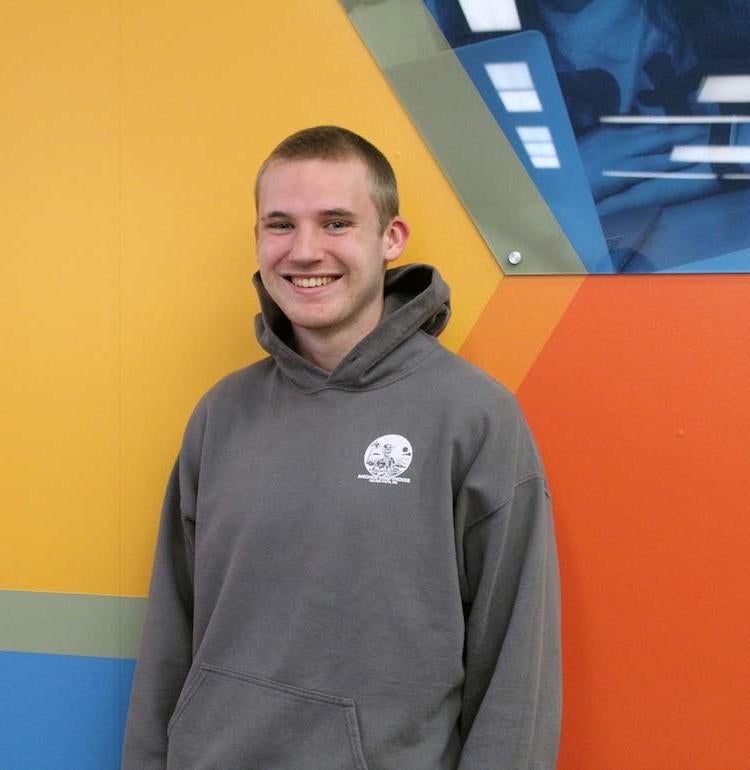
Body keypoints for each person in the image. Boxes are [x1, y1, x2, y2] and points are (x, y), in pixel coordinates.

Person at [121, 125, 561, 769]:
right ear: (258, 240)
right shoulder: (222, 414)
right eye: (280, 224)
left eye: (335, 223)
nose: (304, 251)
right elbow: (170, 629)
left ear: (390, 238)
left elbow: (517, 668)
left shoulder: (473, 416)